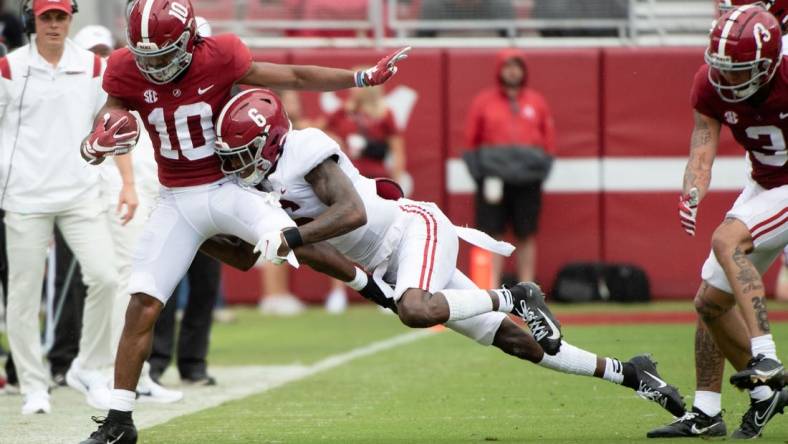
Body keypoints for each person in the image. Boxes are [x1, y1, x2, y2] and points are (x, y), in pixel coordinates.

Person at [213, 88, 687, 425]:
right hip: (386, 262)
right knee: (518, 345)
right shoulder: (263, 191)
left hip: (412, 228)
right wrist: (201, 232)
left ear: (271, 140)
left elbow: (351, 212)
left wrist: (291, 238)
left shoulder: (305, 149)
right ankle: (633, 374)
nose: (235, 165)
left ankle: (513, 295)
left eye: (241, 153)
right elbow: (316, 256)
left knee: (417, 310)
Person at [78, 0, 410, 441]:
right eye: (147, 56)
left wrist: (360, 77)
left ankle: (379, 292)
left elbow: (292, 76)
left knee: (289, 239)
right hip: (174, 199)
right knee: (143, 300)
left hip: (228, 188)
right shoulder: (124, 66)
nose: (155, 64)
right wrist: (97, 138)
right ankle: (119, 421)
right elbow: (109, 110)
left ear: (190, 40)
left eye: (163, 53)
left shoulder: (220, 54)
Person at [647, 5, 788, 439]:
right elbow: (702, 145)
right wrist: (693, 187)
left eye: (739, 70)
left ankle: (766, 354)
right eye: (723, 69)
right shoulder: (710, 82)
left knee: (726, 241)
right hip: (766, 183)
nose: (727, 80)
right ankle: (713, 412)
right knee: (709, 303)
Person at [0, 0, 136, 415]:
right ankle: (33, 386)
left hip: (81, 192)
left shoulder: (95, 68)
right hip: (24, 195)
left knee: (106, 277)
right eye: (47, 17)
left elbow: (112, 126)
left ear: (71, 19)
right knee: (23, 296)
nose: (54, 25)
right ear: (32, 21)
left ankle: (88, 367)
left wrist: (128, 183)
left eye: (61, 17)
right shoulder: (9, 69)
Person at [465, 48, 555, 287]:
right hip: (493, 179)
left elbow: (548, 141)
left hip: (527, 180)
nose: (512, 71)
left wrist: (539, 171)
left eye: (517, 66)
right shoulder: (483, 102)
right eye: (508, 65)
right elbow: (470, 142)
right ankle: (489, 288)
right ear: (499, 69)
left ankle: (528, 287)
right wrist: (481, 175)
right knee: (491, 235)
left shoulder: (536, 102)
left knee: (526, 234)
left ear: (523, 71)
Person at [323, 83, 407, 313]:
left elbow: (397, 149)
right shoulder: (342, 113)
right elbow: (324, 134)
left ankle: (387, 288)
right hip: (347, 181)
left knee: (386, 236)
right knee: (338, 233)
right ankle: (338, 291)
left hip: (376, 180)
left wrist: (397, 182)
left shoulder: (383, 114)